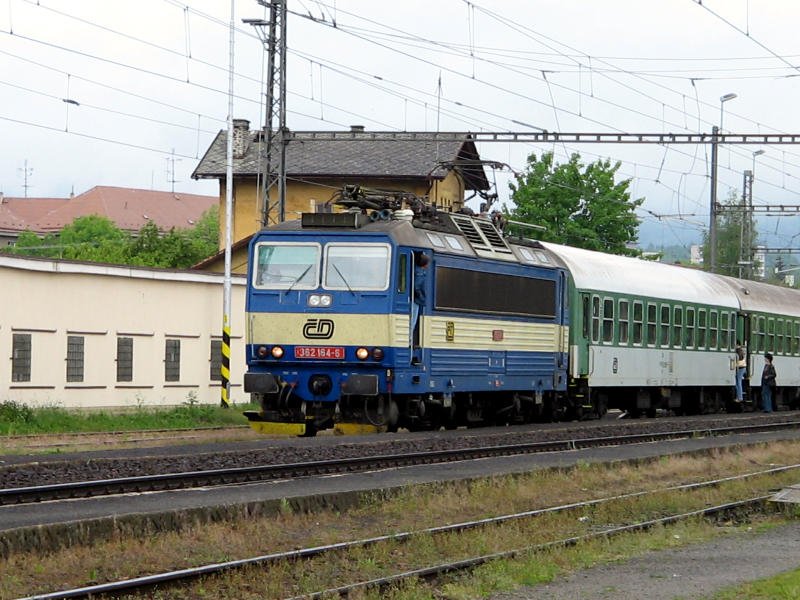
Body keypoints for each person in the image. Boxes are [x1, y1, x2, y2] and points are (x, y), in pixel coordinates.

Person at [411, 252, 429, 351]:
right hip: (416, 300)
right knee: (412, 322)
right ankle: (409, 342)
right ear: (425, 264)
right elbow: (416, 286)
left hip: (416, 299)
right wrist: (421, 297)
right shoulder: (420, 273)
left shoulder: (416, 270)